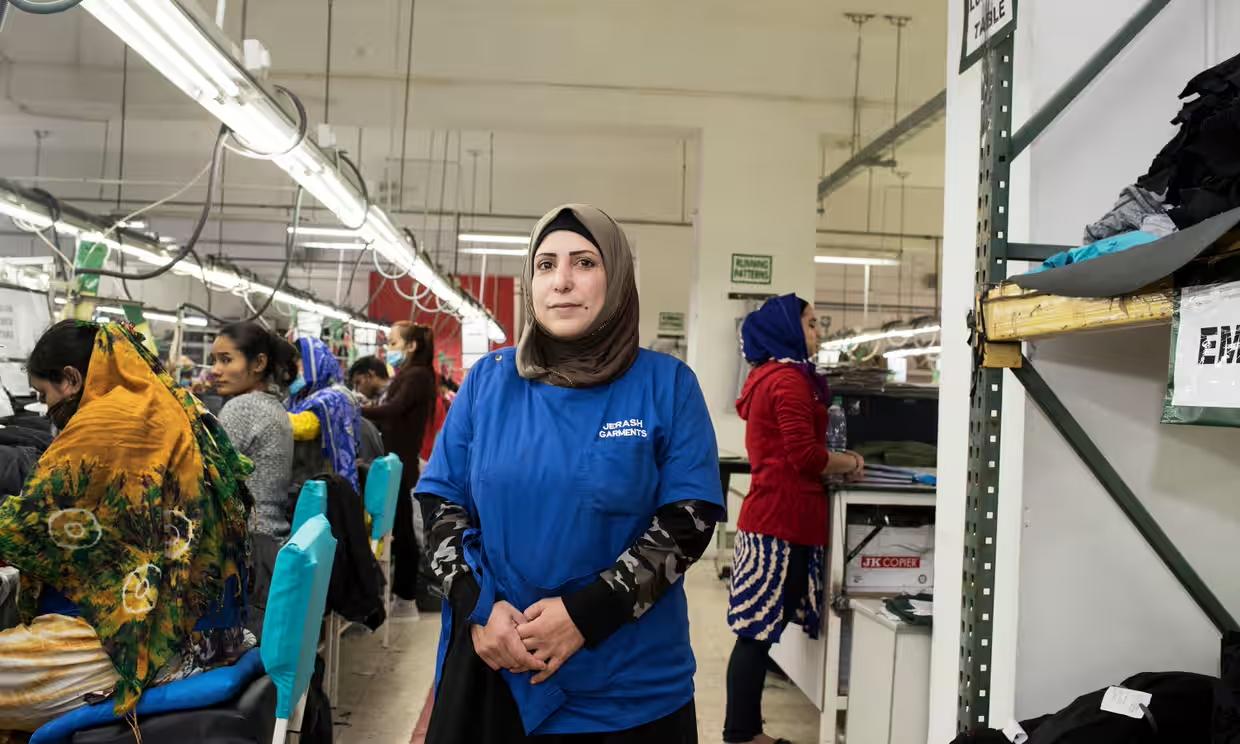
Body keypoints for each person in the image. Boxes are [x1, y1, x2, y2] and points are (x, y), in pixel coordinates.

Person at [418, 204, 722, 743]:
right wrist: (479, 608)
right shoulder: (489, 382)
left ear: (618, 278)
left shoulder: (667, 385)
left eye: (584, 262)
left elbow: (687, 522)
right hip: (496, 669)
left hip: (628, 689)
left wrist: (584, 615)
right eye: (545, 265)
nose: (561, 282)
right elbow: (440, 505)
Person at [0, 320, 251, 731]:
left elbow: (29, 528)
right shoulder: (173, 405)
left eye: (45, 395)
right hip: (213, 635)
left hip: (152, 647)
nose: (45, 409)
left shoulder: (108, 423)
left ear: (71, 378)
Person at [722, 295, 865, 744]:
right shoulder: (787, 380)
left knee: (757, 630)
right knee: (755, 634)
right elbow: (805, 456)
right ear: (786, 329)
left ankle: (744, 730)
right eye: (810, 324)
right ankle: (743, 733)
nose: (818, 331)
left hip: (774, 519)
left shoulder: (771, 377)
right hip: (781, 524)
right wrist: (850, 461)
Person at [211, 321, 297, 639]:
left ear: (258, 363)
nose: (215, 370)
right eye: (214, 360)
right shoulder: (273, 406)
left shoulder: (242, 408)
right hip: (270, 546)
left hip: (249, 554)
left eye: (226, 359)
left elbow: (204, 473)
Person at [361, 322, 438, 617]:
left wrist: (355, 409)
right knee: (399, 530)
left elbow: (393, 410)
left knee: (403, 532)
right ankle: (401, 597)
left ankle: (405, 598)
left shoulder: (417, 376)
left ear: (411, 346)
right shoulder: (411, 374)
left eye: (393, 343)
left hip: (400, 463)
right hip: (398, 461)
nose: (388, 349)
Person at [287, 336, 363, 493]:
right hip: (311, 484)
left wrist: (261, 413)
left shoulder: (333, 398)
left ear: (314, 362)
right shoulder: (302, 397)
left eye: (298, 363)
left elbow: (303, 427)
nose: (291, 371)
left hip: (325, 490)